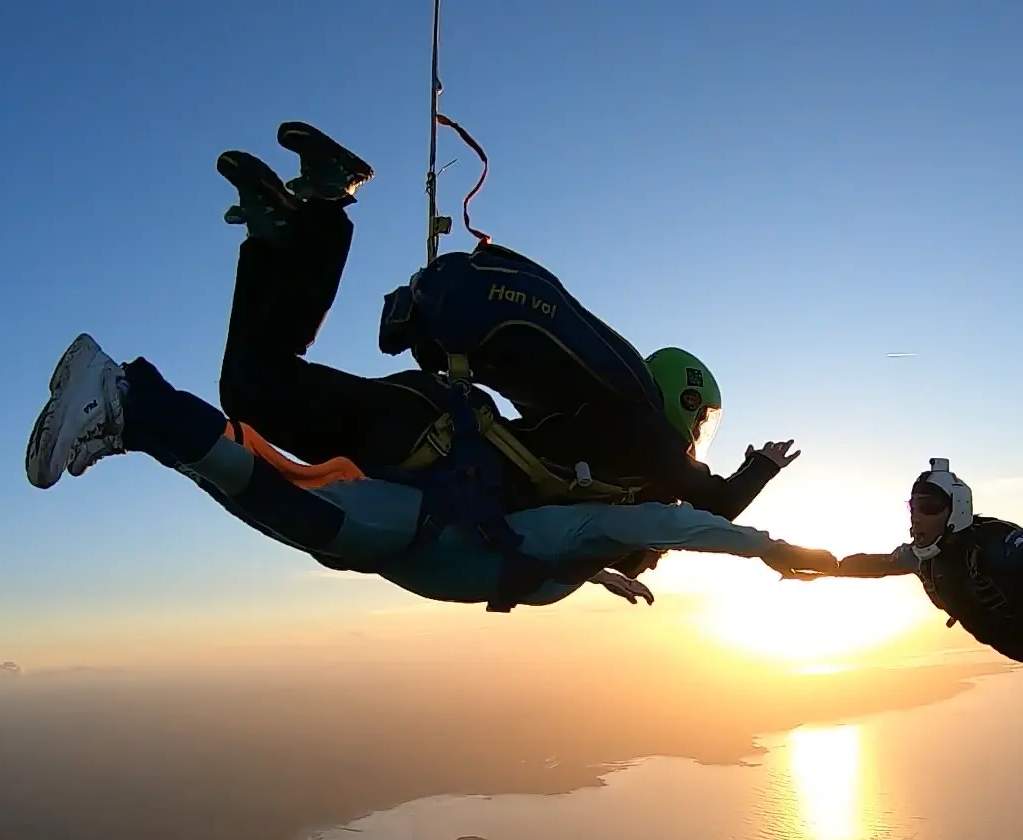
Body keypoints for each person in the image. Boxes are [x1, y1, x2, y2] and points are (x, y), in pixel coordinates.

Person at [212, 122, 798, 532]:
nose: (697, 431)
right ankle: (325, 205)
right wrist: (762, 466)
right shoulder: (645, 435)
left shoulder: (595, 422)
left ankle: (276, 237)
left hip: (428, 423)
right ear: (684, 400)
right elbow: (714, 506)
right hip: (422, 435)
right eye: (701, 415)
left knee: (250, 388)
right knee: (254, 390)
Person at [23, 334, 840, 610]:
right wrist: (768, 547)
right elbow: (665, 524)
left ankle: (140, 411)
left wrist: (606, 578)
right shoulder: (600, 516)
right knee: (305, 511)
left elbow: (626, 532)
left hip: (432, 506)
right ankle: (134, 402)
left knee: (285, 480)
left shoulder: (586, 528)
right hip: (432, 512)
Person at [801, 459, 1023, 676]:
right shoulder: (922, 556)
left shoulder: (991, 539)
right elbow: (875, 565)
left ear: (956, 508)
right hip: (1021, 643)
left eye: (929, 507)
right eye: (913, 506)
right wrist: (820, 567)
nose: (917, 516)